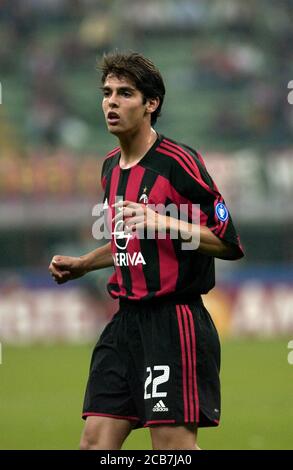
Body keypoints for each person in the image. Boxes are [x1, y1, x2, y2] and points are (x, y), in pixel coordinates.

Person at [49, 52, 244, 450]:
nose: (111, 102)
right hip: (124, 325)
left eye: (124, 93)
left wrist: (163, 220)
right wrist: (85, 263)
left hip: (172, 323)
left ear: (151, 103)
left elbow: (228, 242)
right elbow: (132, 240)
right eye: (107, 93)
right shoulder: (109, 167)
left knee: (171, 451)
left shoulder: (178, 163)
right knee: (93, 444)